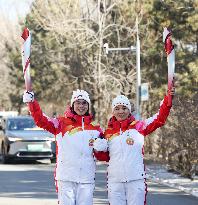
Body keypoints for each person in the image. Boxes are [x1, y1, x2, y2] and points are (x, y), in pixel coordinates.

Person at [23, 89, 107, 205]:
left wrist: (102, 147)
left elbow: (102, 156)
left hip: (86, 179)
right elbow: (41, 120)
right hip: (66, 178)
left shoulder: (95, 128)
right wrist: (32, 103)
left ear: (88, 106)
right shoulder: (60, 124)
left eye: (84, 103)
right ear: (72, 105)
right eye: (78, 102)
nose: (81, 106)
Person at [94, 88, 175, 205]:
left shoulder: (138, 127)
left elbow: (159, 119)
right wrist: (98, 149)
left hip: (136, 180)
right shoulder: (107, 133)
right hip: (115, 182)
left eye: (124, 108)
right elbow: (104, 157)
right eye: (117, 108)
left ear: (129, 110)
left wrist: (168, 100)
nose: (121, 111)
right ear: (113, 111)